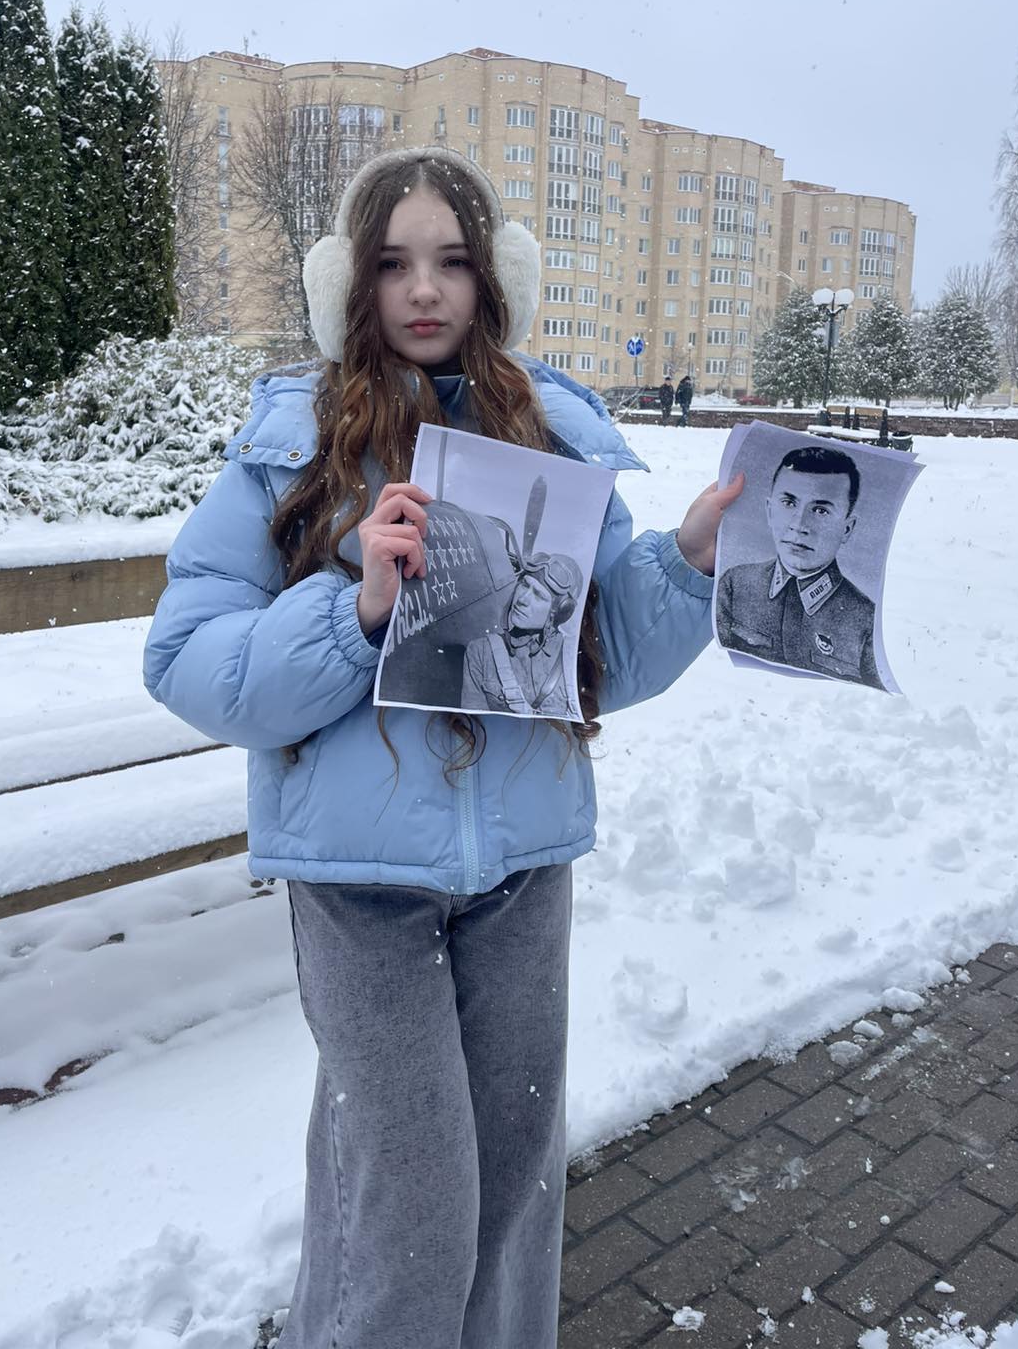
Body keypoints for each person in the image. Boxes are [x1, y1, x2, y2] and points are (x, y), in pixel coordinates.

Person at [143, 145, 743, 1349]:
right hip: (360, 890)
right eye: (394, 263)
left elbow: (605, 656)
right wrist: (355, 610)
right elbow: (189, 660)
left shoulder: (548, 439)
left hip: (522, 870)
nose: (425, 290)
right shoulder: (291, 448)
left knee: (513, 1189)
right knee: (412, 1209)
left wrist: (685, 565)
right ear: (349, 283)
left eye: (454, 261)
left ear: (495, 276)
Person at [716, 444, 881, 688]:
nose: (799, 524)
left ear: (847, 528)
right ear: (769, 511)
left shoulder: (866, 621)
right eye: (789, 503)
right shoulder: (735, 585)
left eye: (821, 510)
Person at [461, 550, 584, 716]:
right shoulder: (481, 652)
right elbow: (472, 723)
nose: (523, 599)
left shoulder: (573, 658)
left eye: (538, 596)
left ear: (559, 612)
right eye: (525, 585)